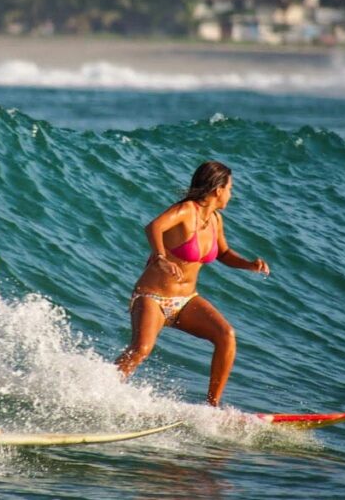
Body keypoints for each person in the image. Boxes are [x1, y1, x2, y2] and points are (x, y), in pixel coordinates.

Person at [115, 161, 270, 407]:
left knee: (226, 335)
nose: (232, 194)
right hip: (152, 297)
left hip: (185, 301)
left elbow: (224, 253)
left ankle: (212, 406)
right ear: (218, 189)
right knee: (141, 348)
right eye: (230, 188)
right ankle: (104, 389)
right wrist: (161, 258)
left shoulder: (215, 220)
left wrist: (249, 264)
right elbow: (153, 227)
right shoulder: (187, 210)